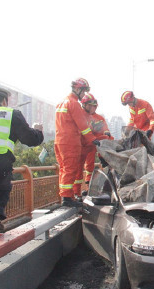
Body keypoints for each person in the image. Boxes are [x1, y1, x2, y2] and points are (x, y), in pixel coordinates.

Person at [0, 87, 44, 275]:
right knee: (3, 189)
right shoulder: (11, 113)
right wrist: (39, 131)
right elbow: (30, 139)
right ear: (5, 100)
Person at [55, 78, 98, 207]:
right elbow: (83, 126)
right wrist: (93, 139)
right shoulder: (73, 104)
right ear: (78, 89)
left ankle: (66, 195)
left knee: (64, 169)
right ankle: (67, 198)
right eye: (84, 91)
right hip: (70, 142)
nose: (84, 94)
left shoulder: (61, 102)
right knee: (70, 169)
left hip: (59, 141)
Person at [74, 93, 113, 198]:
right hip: (82, 145)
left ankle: (88, 188)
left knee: (90, 165)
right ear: (85, 105)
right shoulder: (79, 115)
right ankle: (76, 193)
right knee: (79, 169)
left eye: (94, 106)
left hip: (92, 144)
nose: (92, 108)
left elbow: (105, 128)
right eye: (90, 106)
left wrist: (107, 132)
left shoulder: (98, 117)